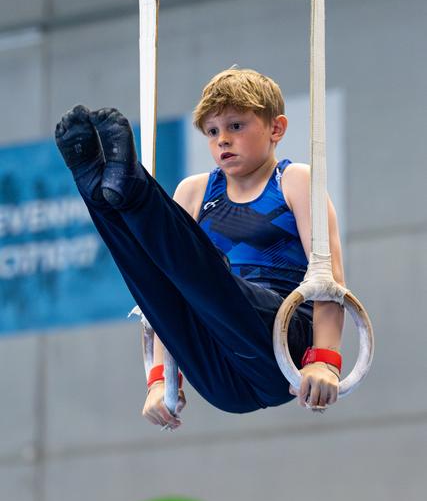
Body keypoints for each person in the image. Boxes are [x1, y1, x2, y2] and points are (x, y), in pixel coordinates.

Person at [55, 67, 345, 431]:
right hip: (222, 379)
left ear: (276, 128)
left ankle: (134, 191)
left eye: (236, 126)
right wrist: (160, 379)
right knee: (158, 279)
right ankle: (100, 195)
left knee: (206, 276)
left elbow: (328, 278)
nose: (222, 140)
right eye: (212, 132)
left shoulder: (295, 181)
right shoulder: (194, 191)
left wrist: (325, 360)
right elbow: (164, 306)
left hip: (283, 343)